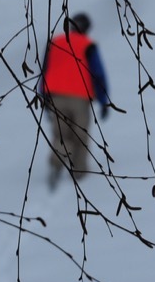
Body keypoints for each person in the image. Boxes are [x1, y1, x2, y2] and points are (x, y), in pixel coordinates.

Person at [39, 13, 110, 189]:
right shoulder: (88, 45)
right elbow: (98, 74)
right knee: (80, 135)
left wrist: (44, 96)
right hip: (79, 97)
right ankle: (79, 173)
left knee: (61, 135)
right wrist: (103, 101)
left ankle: (56, 164)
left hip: (54, 95)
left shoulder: (54, 42)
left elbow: (45, 70)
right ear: (87, 28)